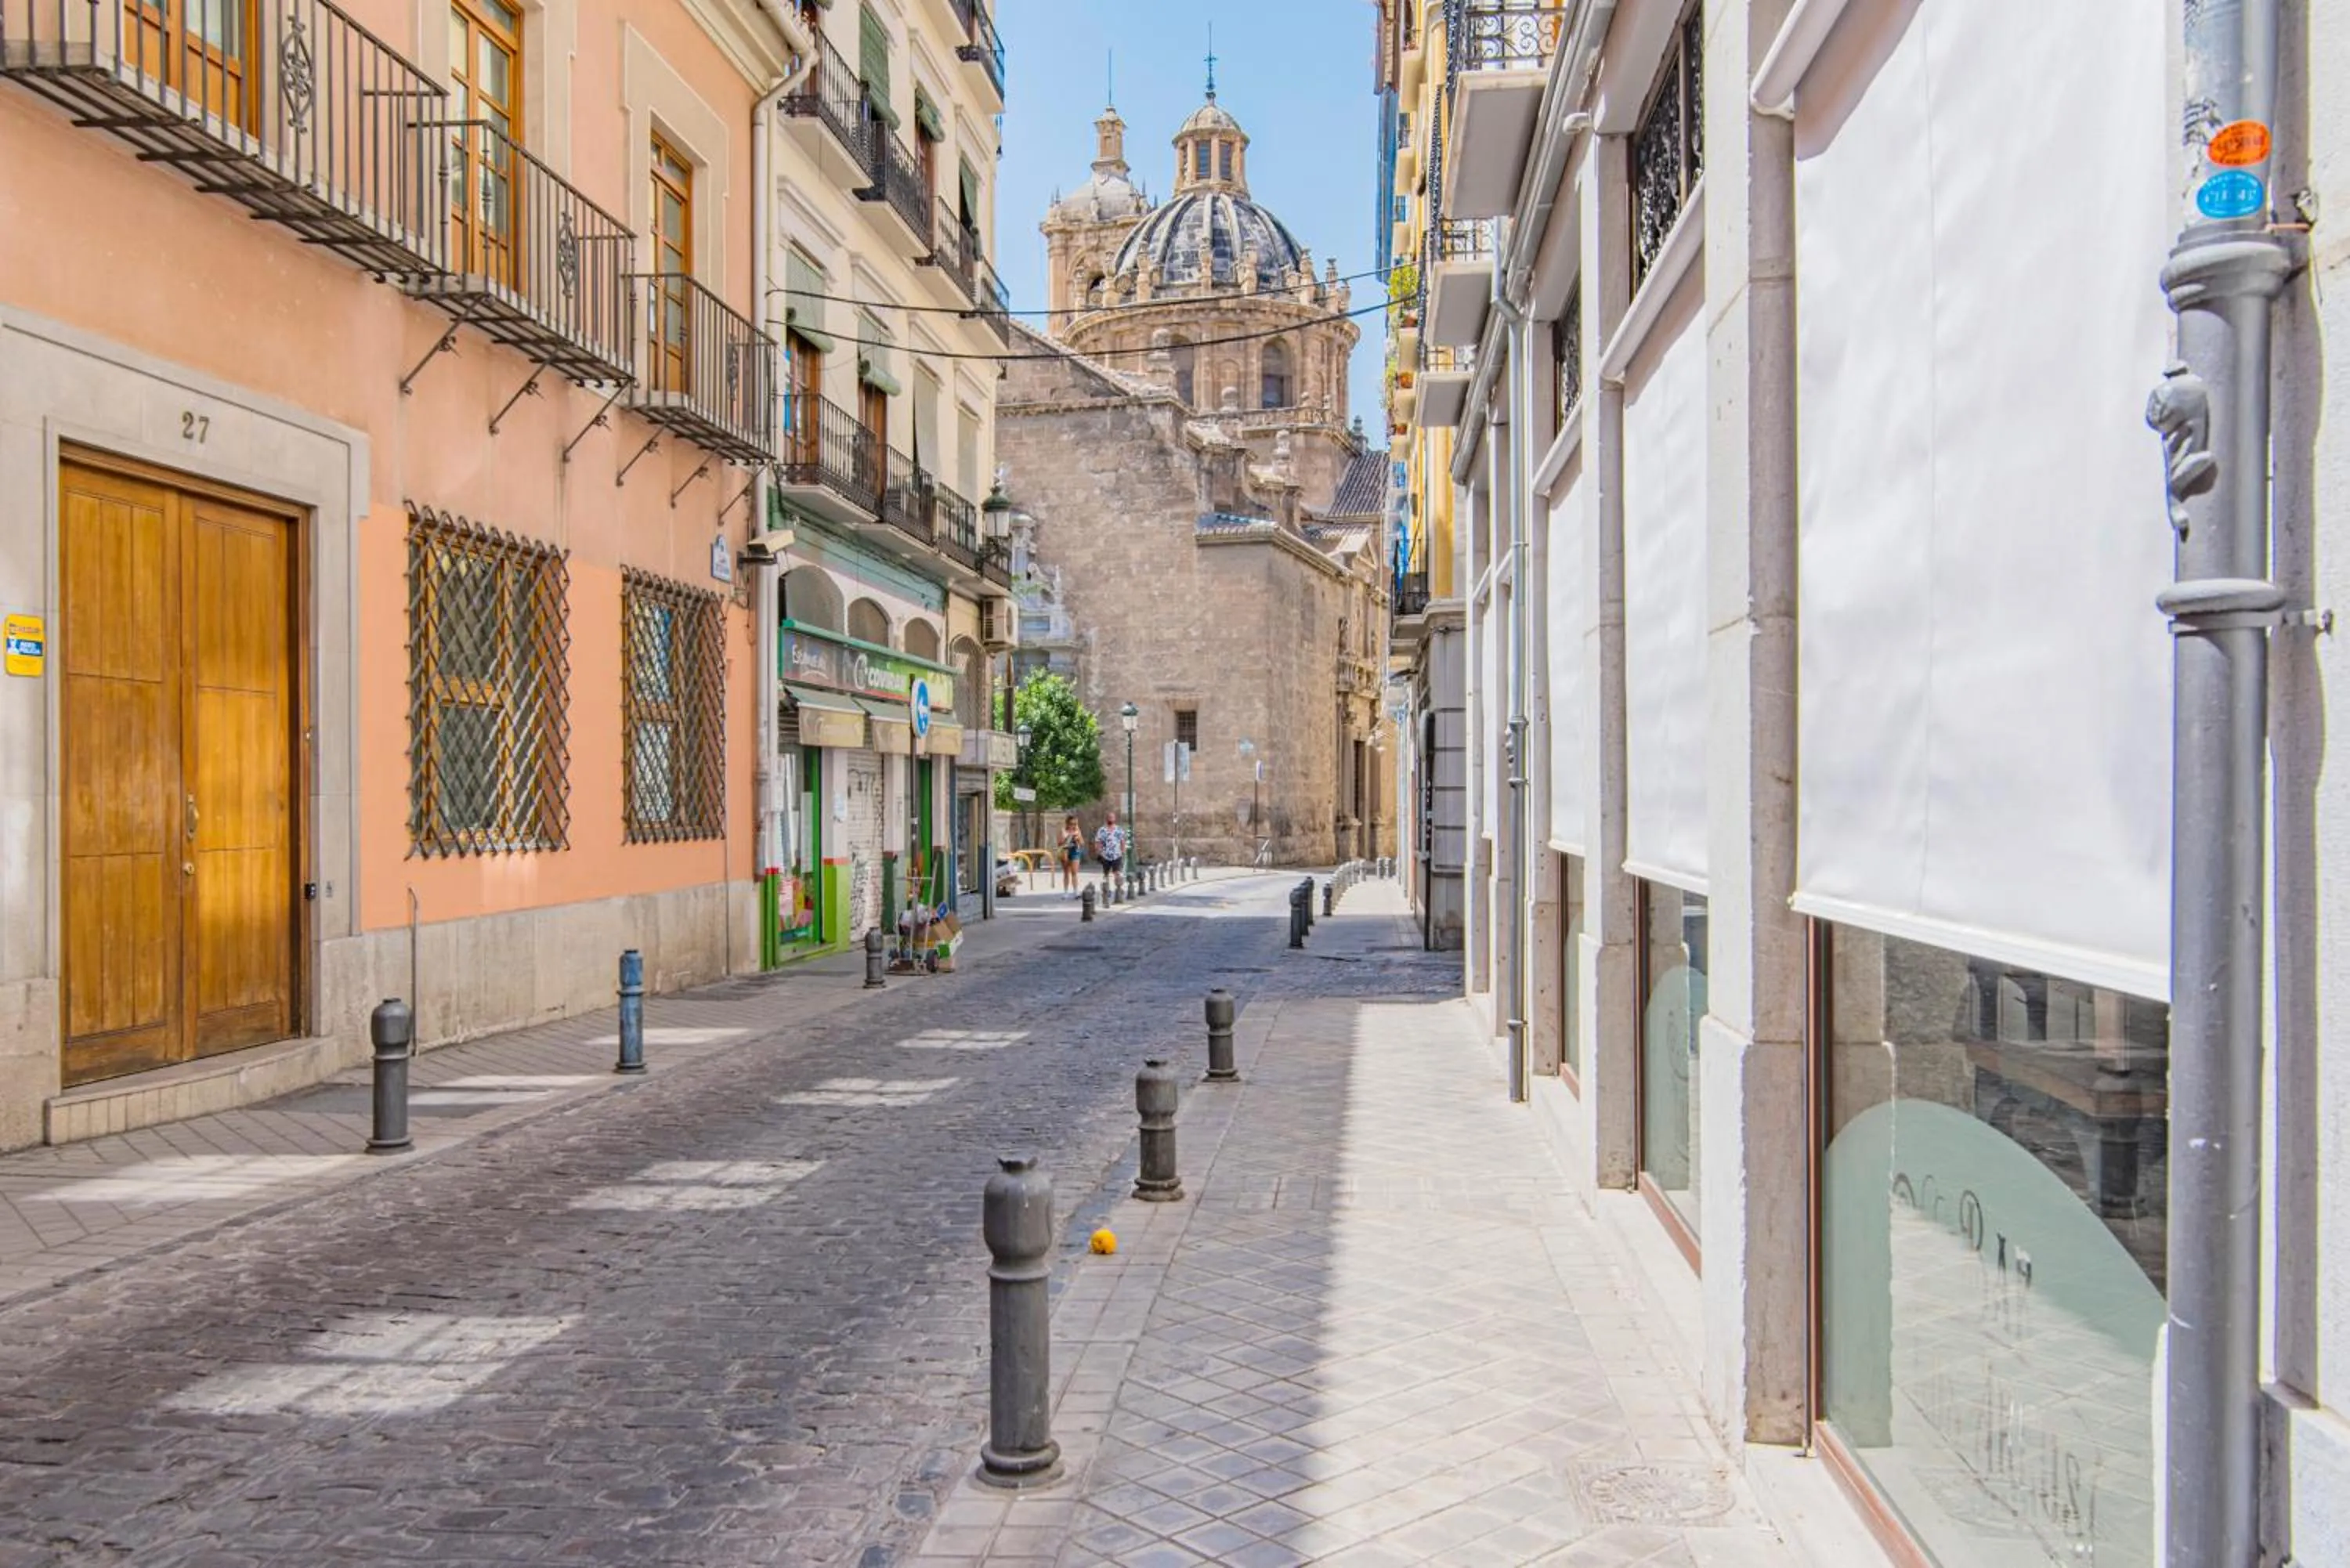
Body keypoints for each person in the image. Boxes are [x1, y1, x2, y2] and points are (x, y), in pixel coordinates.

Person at [1094, 811, 1126, 890]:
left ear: (1115, 819)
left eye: (1112, 817)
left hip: (1117, 854)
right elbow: (1098, 841)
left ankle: (1118, 889)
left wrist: (1123, 852)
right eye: (1109, 817)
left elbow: (1122, 841)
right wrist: (1099, 851)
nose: (1110, 819)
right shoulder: (1102, 830)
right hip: (1105, 855)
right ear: (1106, 819)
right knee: (1106, 874)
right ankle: (1106, 889)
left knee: (1117, 873)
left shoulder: (1119, 829)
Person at [1058, 815, 1085, 896]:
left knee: (1074, 872)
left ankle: (1076, 891)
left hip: (1075, 851)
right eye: (1071, 823)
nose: (1073, 825)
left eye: (1075, 824)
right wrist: (1067, 839)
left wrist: (1078, 838)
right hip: (1065, 852)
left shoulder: (1077, 831)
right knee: (1066, 872)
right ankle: (1066, 892)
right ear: (1067, 823)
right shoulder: (1063, 831)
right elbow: (1059, 843)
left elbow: (1082, 843)